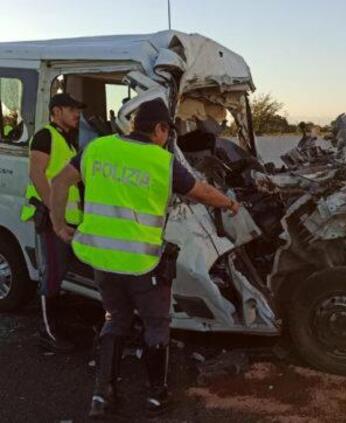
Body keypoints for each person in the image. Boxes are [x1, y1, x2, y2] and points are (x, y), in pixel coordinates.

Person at [49, 98, 240, 418]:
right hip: (142, 263)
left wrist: (59, 226)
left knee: (115, 318)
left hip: (102, 259)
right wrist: (231, 206)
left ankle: (102, 396)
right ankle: (155, 396)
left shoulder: (98, 148)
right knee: (155, 324)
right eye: (168, 131)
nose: (168, 138)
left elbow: (58, 182)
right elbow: (202, 192)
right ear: (160, 129)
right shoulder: (161, 161)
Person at [20, 93, 85, 352]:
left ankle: (55, 325)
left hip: (65, 218)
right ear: (56, 111)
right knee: (52, 273)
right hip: (51, 218)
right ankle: (47, 331)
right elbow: (37, 173)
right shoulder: (45, 135)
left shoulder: (66, 139)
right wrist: (52, 209)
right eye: (72, 109)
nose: (77, 114)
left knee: (60, 273)